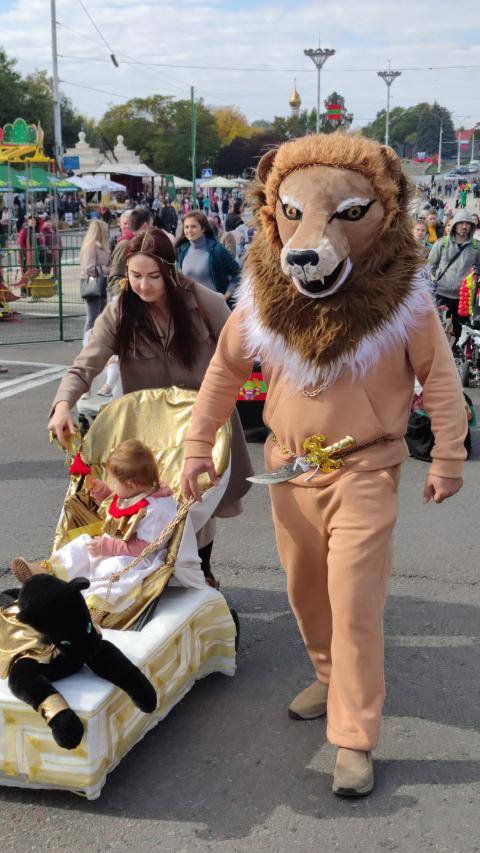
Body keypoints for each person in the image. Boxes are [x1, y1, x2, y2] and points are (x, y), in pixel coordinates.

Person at [181, 133, 467, 798]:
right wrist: (199, 446)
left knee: (354, 603)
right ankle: (327, 672)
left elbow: (441, 376)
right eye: (293, 213)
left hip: (364, 470)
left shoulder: (407, 302)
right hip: (287, 470)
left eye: (344, 214)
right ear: (270, 215)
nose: (311, 235)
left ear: (384, 215)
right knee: (306, 592)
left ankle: (354, 734)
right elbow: (225, 370)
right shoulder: (262, 298)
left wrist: (448, 453)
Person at [48, 227, 253, 586]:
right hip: (150, 430)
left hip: (204, 424)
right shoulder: (120, 311)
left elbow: (243, 351)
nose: (143, 286)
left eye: (153, 276)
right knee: (148, 503)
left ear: (170, 272)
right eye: (135, 276)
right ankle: (138, 573)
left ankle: (199, 572)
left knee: (196, 501)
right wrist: (64, 403)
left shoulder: (205, 302)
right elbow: (86, 363)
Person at [11, 440, 206, 613]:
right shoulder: (136, 492)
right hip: (116, 547)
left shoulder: (157, 510)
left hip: (138, 561)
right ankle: (46, 574)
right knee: (82, 544)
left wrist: (108, 547)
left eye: (112, 481)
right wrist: (104, 495)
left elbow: (144, 548)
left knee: (111, 568)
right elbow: (119, 515)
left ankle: (92, 606)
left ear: (130, 485)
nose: (111, 485)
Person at [428, 210, 480, 348]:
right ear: (455, 224)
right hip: (441, 294)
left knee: (459, 330)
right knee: (437, 329)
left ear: (471, 226)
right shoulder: (442, 244)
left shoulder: (476, 246)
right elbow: (430, 266)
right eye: (461, 223)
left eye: (467, 224)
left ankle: (455, 355)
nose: (464, 226)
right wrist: (433, 282)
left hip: (464, 298)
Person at [176, 212, 240, 303]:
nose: (189, 230)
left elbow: (237, 273)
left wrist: (226, 296)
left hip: (215, 307)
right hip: (192, 308)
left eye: (193, 226)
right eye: (186, 227)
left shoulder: (217, 249)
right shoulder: (182, 249)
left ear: (203, 228)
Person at [79, 219, 111, 340]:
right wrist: (106, 269)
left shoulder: (101, 246)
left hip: (101, 284)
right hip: (92, 284)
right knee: (92, 318)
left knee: (101, 317)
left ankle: (97, 342)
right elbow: (89, 269)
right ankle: (86, 344)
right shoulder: (91, 247)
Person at [108, 208, 153, 292]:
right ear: (146, 225)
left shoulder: (142, 242)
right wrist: (134, 289)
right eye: (152, 224)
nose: (152, 228)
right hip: (128, 300)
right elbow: (114, 279)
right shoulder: (125, 244)